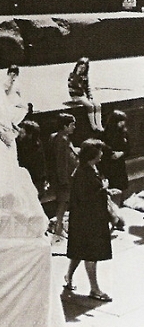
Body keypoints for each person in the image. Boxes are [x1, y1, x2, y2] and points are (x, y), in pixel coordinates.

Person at [64, 139, 112, 302]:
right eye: (99, 151)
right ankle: (94, 289)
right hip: (88, 219)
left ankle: (68, 277)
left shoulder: (89, 168)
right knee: (91, 254)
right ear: (93, 154)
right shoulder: (84, 173)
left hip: (87, 218)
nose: (102, 154)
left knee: (79, 251)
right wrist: (103, 188)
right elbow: (85, 197)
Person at [48, 113, 78, 242]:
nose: (74, 127)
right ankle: (58, 229)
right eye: (72, 125)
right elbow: (61, 161)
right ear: (65, 126)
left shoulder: (55, 136)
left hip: (59, 177)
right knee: (63, 202)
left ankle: (58, 225)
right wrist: (64, 180)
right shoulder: (62, 140)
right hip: (64, 178)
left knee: (64, 202)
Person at [100, 109, 130, 207]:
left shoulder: (124, 133)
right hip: (109, 165)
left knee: (121, 186)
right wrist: (111, 153)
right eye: (120, 121)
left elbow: (128, 148)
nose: (122, 123)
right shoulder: (105, 134)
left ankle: (120, 204)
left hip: (119, 164)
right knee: (111, 187)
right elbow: (103, 149)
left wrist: (121, 153)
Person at [67, 57, 103, 132]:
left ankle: (99, 125)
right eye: (80, 67)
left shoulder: (85, 77)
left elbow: (87, 88)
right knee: (90, 106)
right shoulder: (72, 75)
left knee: (98, 105)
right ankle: (93, 126)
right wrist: (77, 74)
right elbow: (74, 85)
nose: (81, 69)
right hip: (75, 96)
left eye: (84, 68)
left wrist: (90, 97)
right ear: (77, 66)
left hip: (82, 96)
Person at [16, 120, 48, 198]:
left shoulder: (29, 147)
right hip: (33, 179)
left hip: (32, 180)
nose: (19, 134)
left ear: (30, 134)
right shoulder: (36, 144)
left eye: (23, 132)